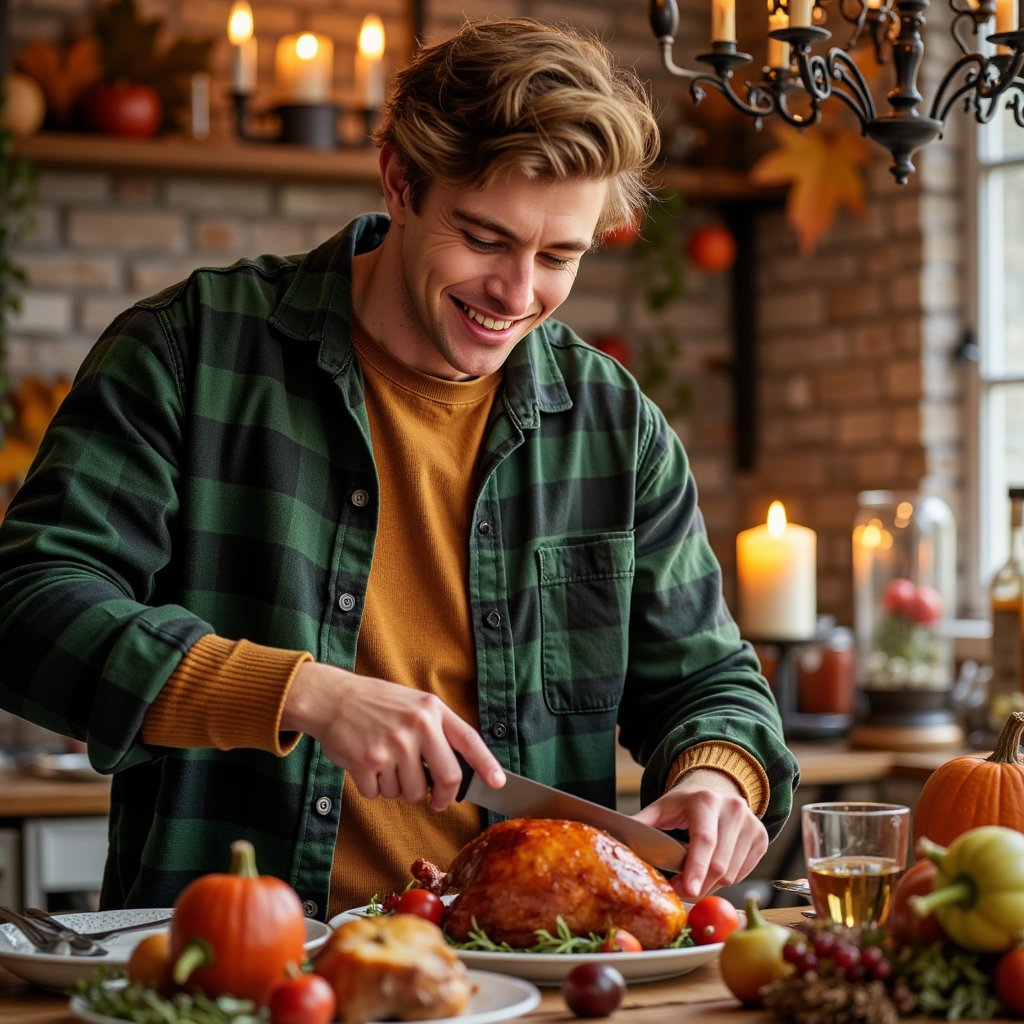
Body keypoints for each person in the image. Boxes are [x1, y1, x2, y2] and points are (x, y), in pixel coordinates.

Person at [0, 17, 799, 920]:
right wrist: (301, 691)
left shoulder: (615, 424)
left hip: (517, 972)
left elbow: (709, 681)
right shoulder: (191, 349)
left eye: (559, 257)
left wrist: (716, 773)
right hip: (243, 967)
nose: (516, 292)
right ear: (399, 181)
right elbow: (27, 605)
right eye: (485, 238)